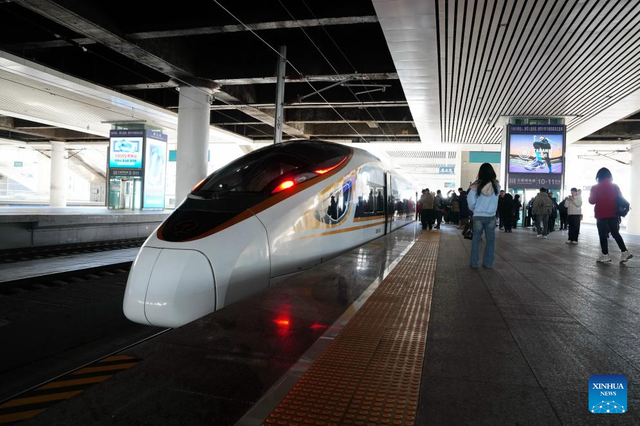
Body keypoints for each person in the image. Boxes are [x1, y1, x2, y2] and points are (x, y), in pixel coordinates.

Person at [588, 168, 633, 263]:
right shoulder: (615, 186)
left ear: (599, 176)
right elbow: (620, 198)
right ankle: (625, 252)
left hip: (601, 214)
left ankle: (605, 255)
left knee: (602, 235)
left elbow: (592, 201)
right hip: (613, 214)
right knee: (615, 233)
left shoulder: (595, 187)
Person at [467, 163, 500, 268]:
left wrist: (474, 209)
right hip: (491, 217)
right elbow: (496, 201)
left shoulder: (475, 186)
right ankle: (488, 263)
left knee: (476, 240)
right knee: (490, 241)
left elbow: (471, 201)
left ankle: (474, 263)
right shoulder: (496, 186)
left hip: (478, 216)